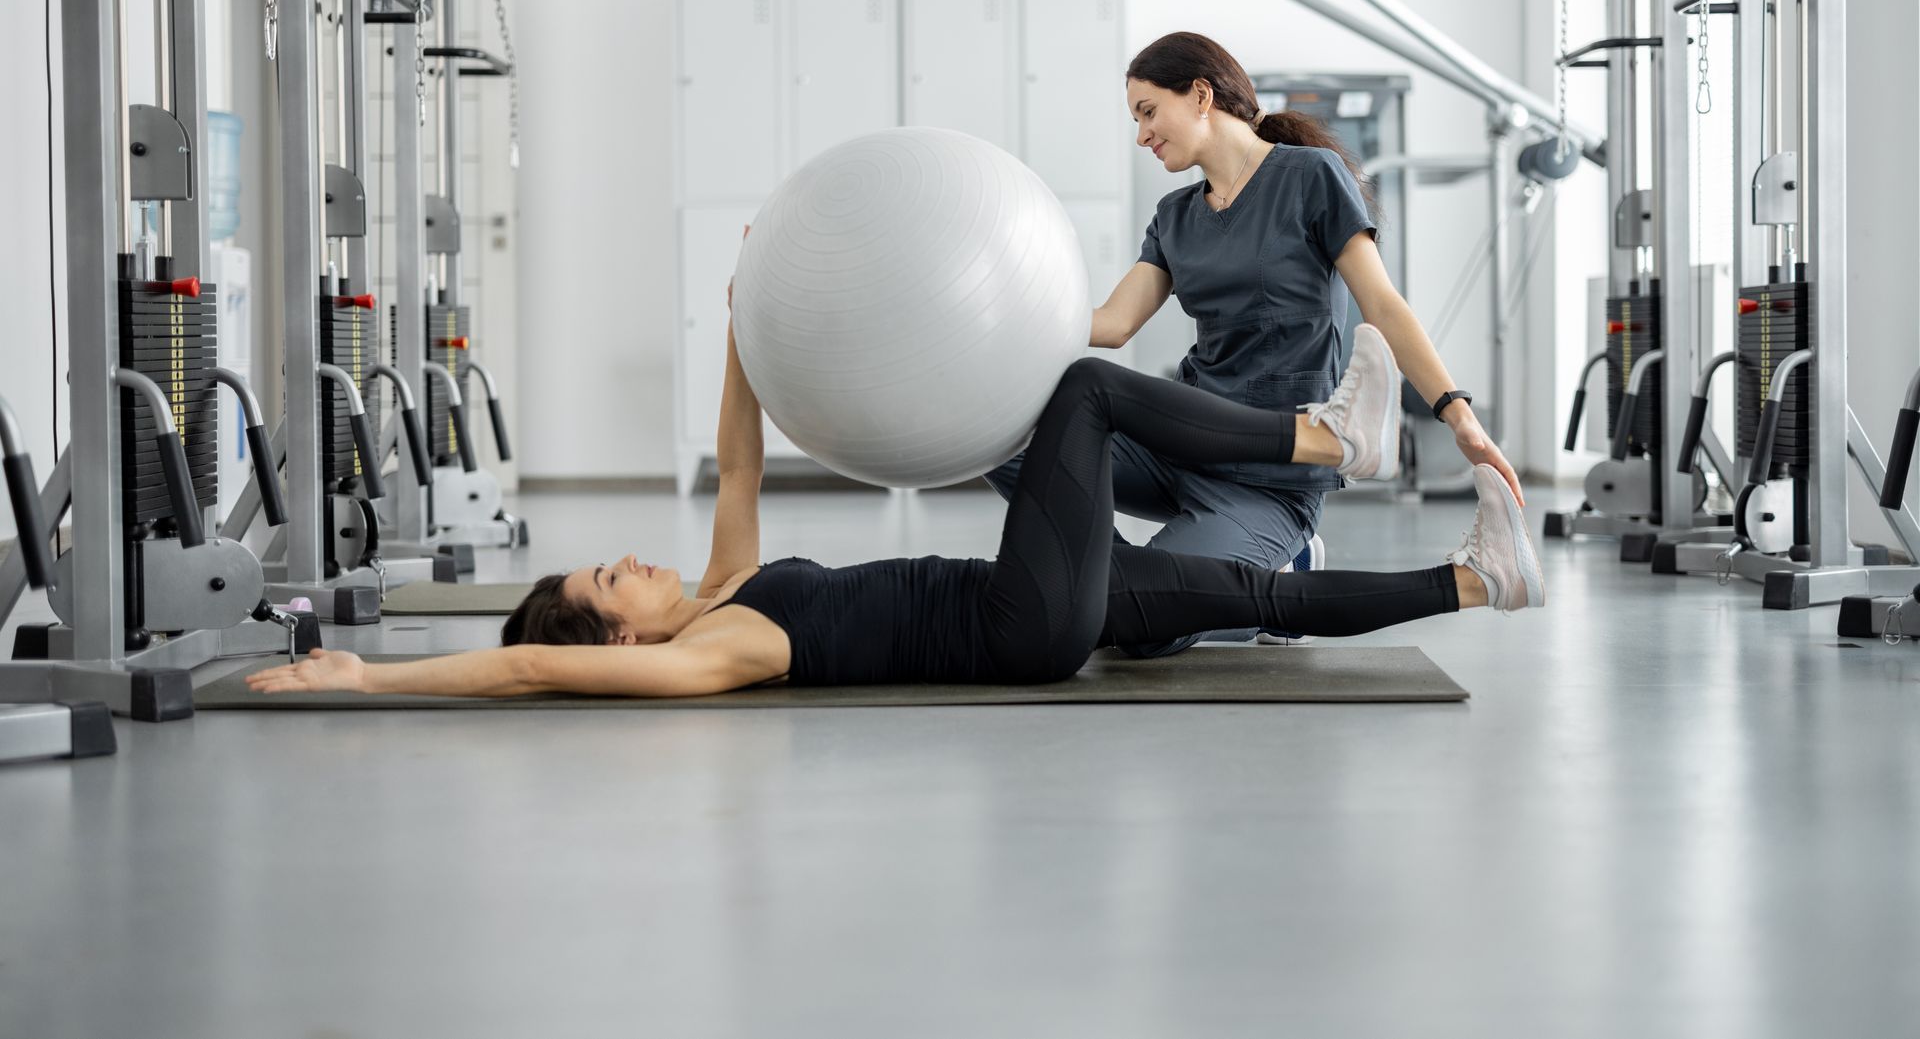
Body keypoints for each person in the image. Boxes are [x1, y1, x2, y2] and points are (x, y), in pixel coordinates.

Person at [247, 319, 1545, 701]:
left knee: (1250, 599)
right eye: (613, 584)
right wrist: (367, 681)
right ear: (625, 642)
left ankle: (1479, 581)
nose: (632, 564)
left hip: (1033, 615)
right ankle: (1326, 437)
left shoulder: (717, 592)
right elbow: (533, 669)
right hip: (1019, 624)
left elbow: (738, 467)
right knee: (1087, 392)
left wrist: (750, 315)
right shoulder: (713, 652)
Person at [985, 32, 1523, 658]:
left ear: (1201, 95)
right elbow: (1112, 323)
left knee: (1135, 631)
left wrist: (1459, 416)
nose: (1142, 136)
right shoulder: (1174, 214)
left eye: (1148, 112)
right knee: (1002, 441)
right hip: (1176, 444)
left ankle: (1265, 574)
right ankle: (1144, 580)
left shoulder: (1309, 178)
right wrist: (1005, 317)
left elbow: (1383, 305)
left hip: (1268, 478)